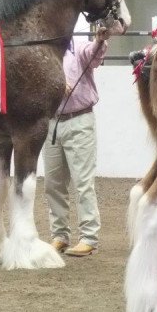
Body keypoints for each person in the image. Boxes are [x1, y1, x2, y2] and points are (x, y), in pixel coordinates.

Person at [42, 26, 111, 257]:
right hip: (52, 122)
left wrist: (100, 40)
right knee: (53, 184)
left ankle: (89, 237)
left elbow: (94, 55)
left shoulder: (79, 47)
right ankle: (60, 235)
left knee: (83, 182)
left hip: (79, 120)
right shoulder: (45, 53)